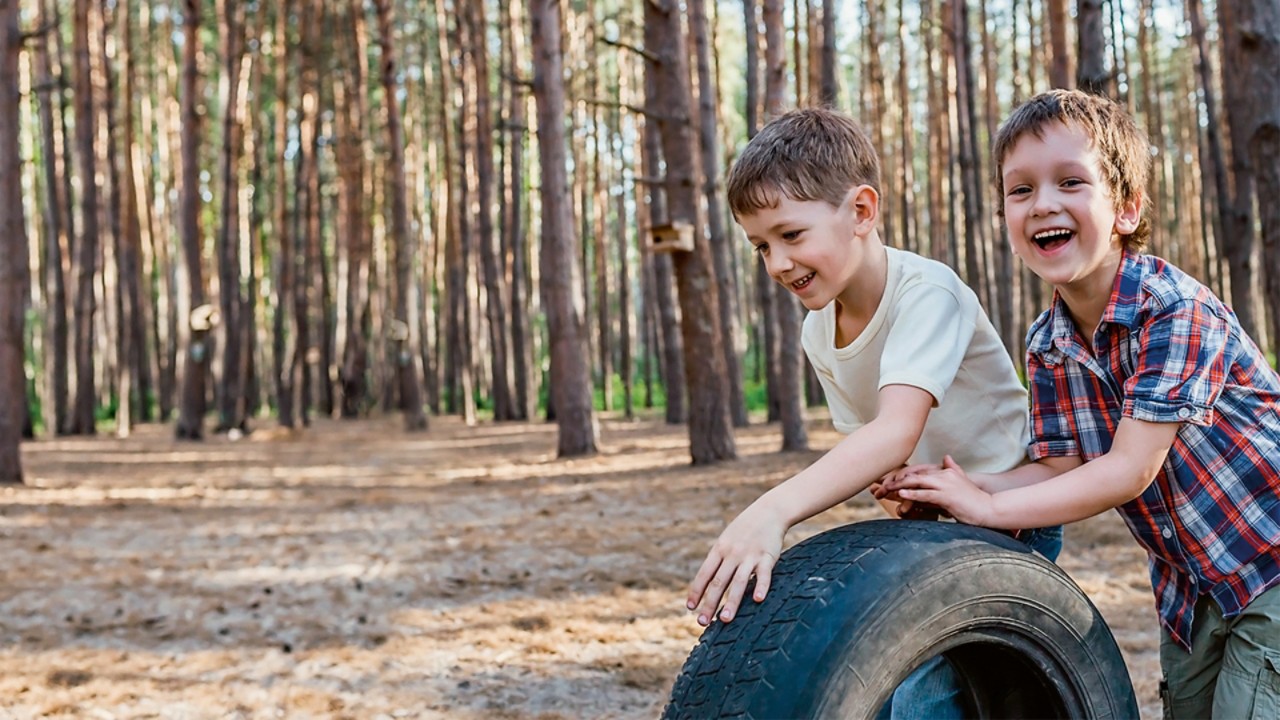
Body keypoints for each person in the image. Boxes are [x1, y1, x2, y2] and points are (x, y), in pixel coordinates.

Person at [879, 88, 1280, 719]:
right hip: (1193, 589)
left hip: (1270, 565)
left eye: (1070, 181)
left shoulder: (1175, 310)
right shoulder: (1049, 342)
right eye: (1020, 190)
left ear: (1125, 208)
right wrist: (957, 484)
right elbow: (1061, 466)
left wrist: (987, 506)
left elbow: (1128, 469)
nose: (1043, 204)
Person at [684, 106, 1061, 718]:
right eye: (760, 247)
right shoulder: (817, 332)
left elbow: (895, 430)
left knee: (925, 697)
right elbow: (871, 452)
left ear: (861, 211)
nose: (777, 263)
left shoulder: (927, 292)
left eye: (791, 235)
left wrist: (771, 511)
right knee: (880, 679)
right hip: (934, 522)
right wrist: (898, 497)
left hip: (1011, 509)